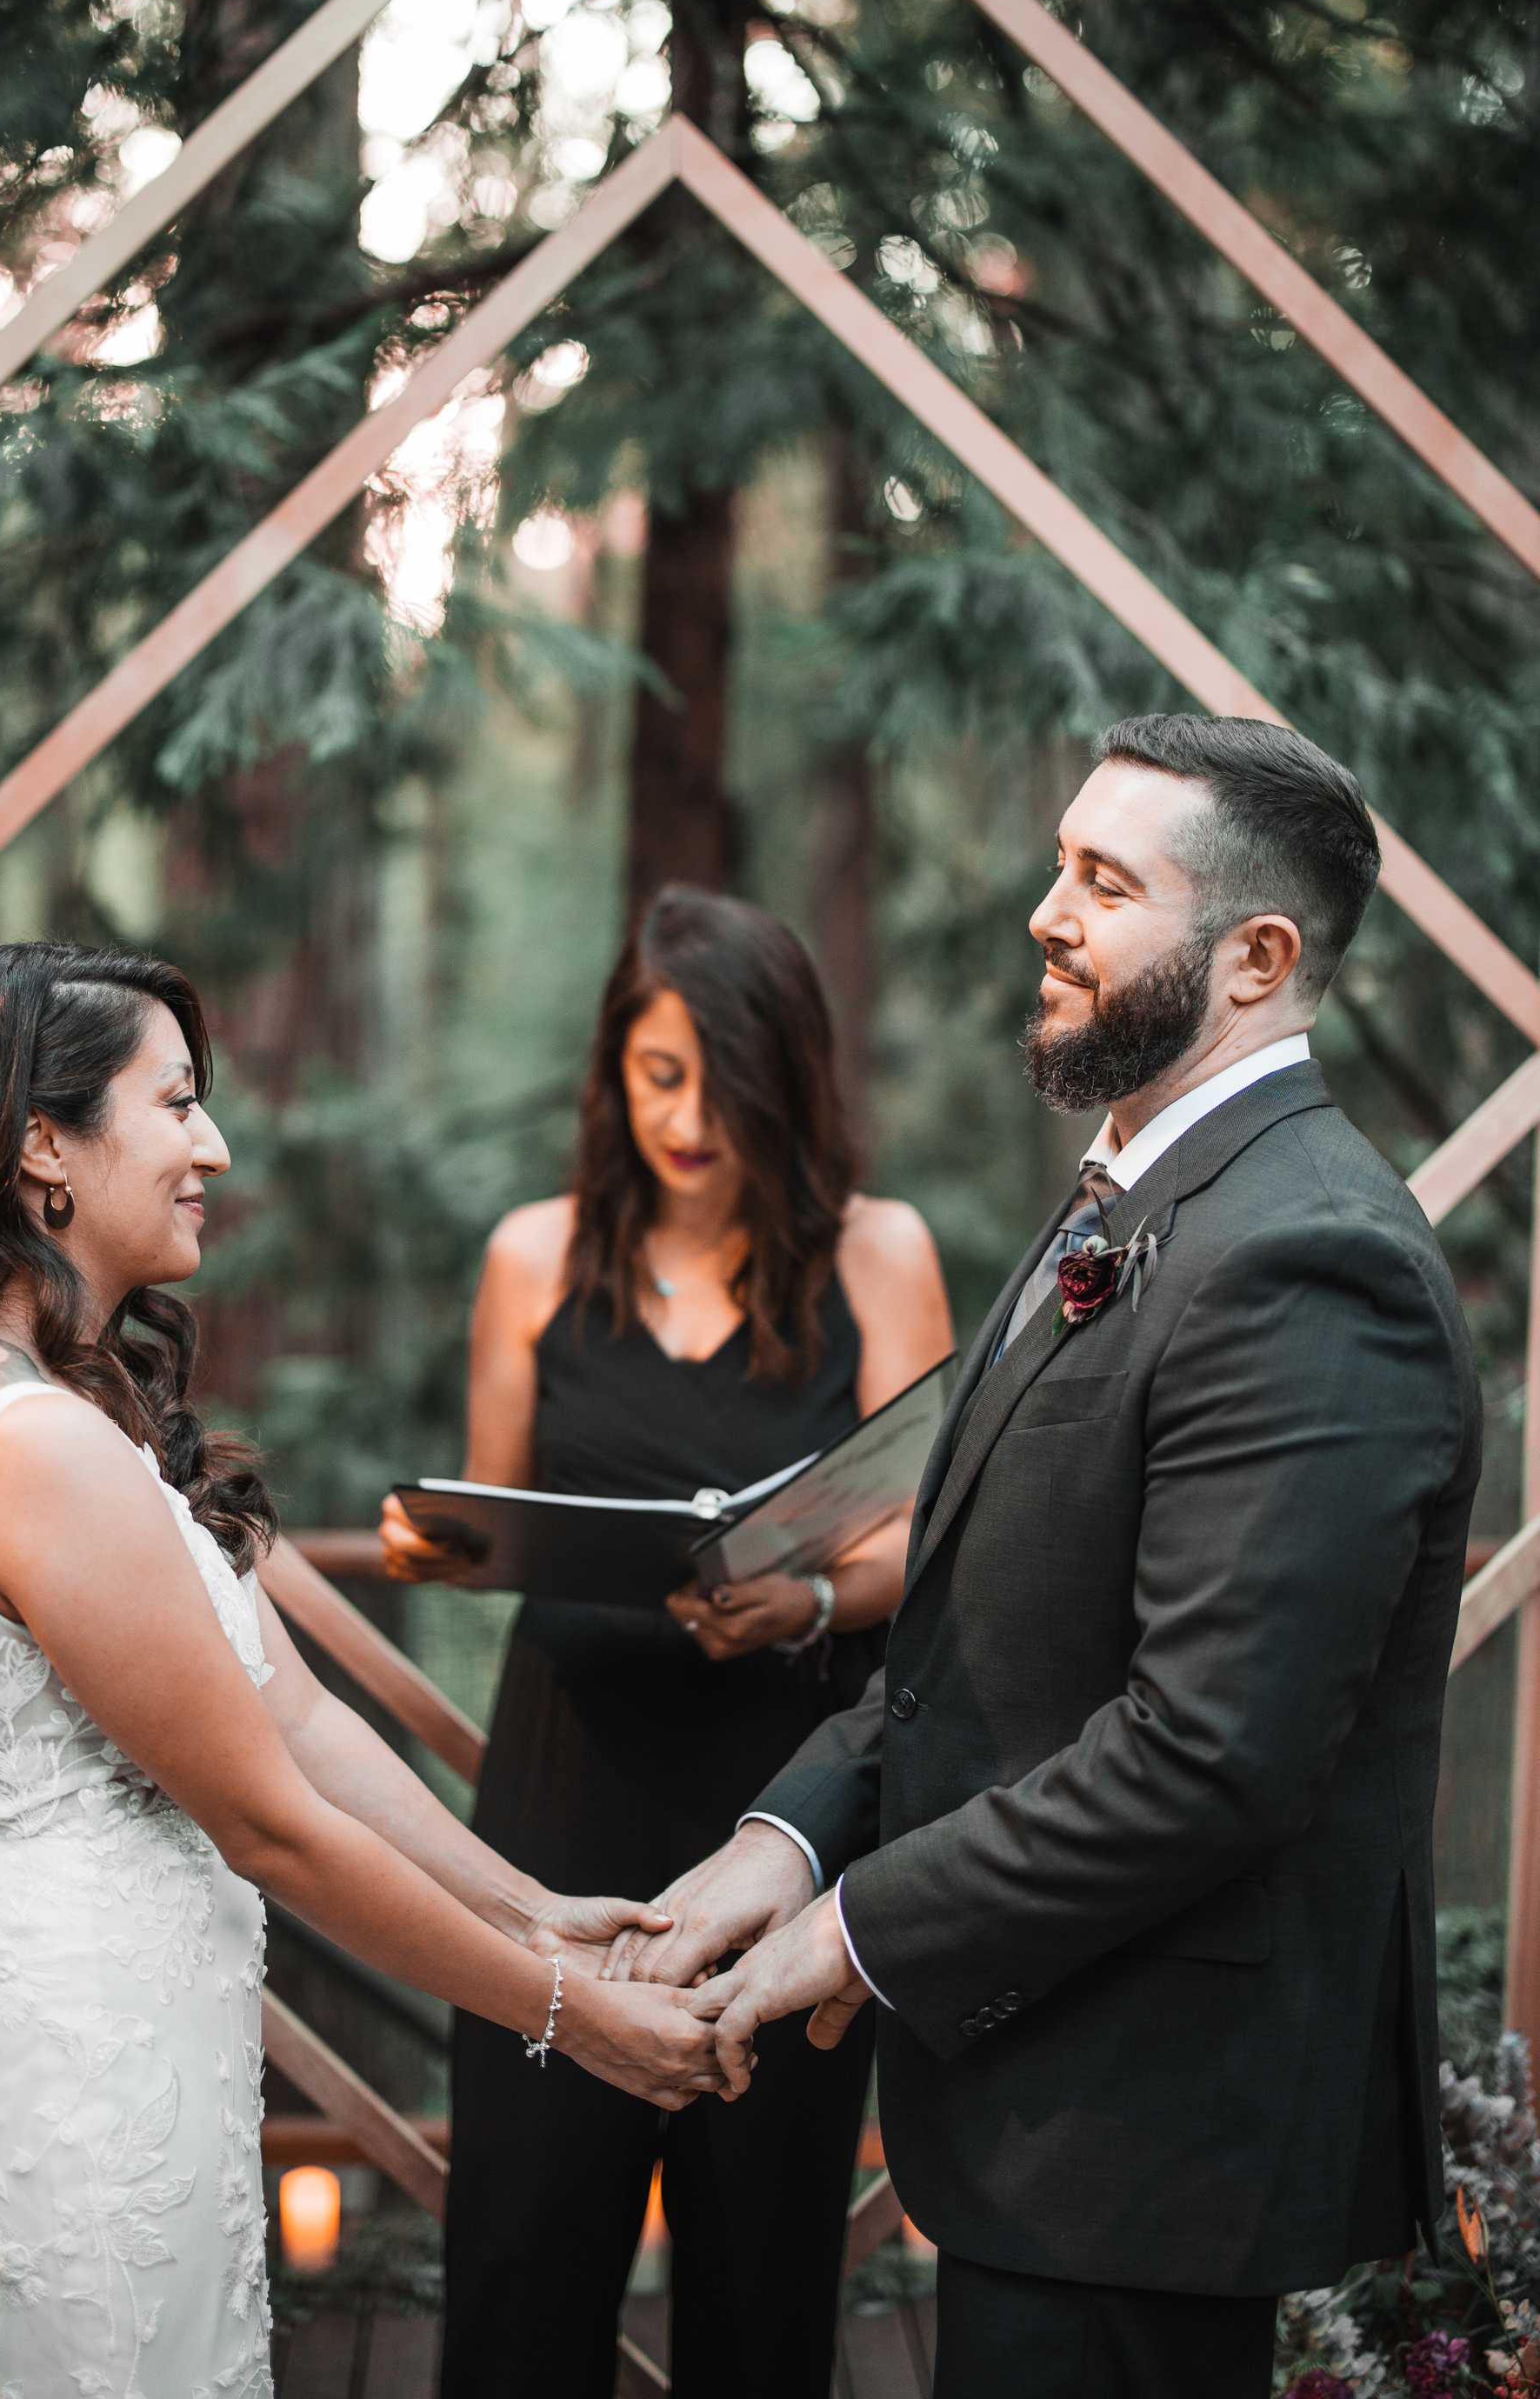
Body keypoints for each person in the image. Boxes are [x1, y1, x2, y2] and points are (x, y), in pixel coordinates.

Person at [618, 718, 1482, 2399]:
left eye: (1105, 881)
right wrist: (784, 1839)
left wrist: (857, 1931)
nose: (1045, 912)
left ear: (1258, 957)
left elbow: (1211, 1750)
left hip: (1150, 2130)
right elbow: (984, 1630)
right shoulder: (1129, 1198)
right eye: (1056, 864)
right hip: (1050, 2111)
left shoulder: (1309, 1253)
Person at [0, 941, 719, 2399]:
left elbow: (298, 1714)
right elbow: (270, 1819)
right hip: (81, 2101)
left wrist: (539, 1912)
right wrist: (572, 2022)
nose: (212, 1146)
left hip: (106, 2054)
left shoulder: (43, 1407)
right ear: (44, 1149)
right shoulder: (35, 1450)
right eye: (176, 1102)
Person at [380, 883, 953, 2399]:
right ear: (610, 1073)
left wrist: (815, 1598)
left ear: (788, 1074)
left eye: (721, 1080)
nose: (689, 1118)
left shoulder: (878, 1255)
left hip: (792, 1787)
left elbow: (934, 1529)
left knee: (763, 2255)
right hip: (565, 1789)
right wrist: (458, 1538)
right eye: (655, 1075)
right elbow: (496, 1506)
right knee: (524, 2235)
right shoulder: (533, 1256)